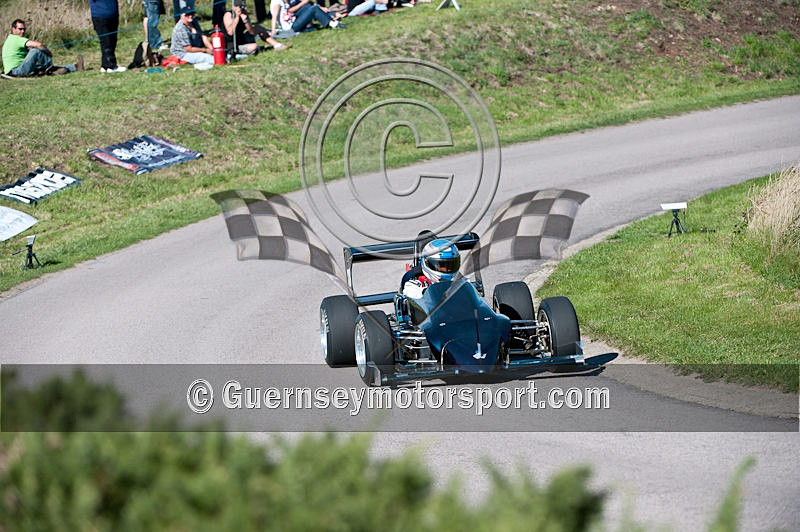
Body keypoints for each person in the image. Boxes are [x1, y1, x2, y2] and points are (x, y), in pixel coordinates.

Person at [2, 19, 83, 77]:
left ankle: (75, 67)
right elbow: (39, 45)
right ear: (13, 29)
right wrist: (49, 53)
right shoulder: (15, 39)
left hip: (19, 68)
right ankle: (50, 70)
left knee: (40, 66)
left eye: (24, 29)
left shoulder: (11, 39)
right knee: (35, 51)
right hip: (16, 71)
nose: (22, 31)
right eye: (20, 29)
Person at [224, 1, 289, 55]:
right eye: (238, 6)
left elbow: (251, 32)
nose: (240, 8)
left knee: (258, 27)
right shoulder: (228, 14)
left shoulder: (243, 15)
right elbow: (230, 32)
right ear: (233, 7)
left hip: (241, 39)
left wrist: (245, 20)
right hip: (231, 45)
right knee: (254, 46)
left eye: (242, 6)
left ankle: (277, 45)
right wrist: (237, 17)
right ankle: (250, 51)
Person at [270, 0, 345, 35]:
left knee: (308, 7)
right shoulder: (277, 2)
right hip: (290, 27)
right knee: (314, 9)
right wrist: (273, 31)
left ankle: (332, 18)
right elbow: (274, 16)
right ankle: (333, 24)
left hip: (293, 21)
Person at [90, 0, 126, 73]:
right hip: (100, 15)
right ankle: (110, 66)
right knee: (106, 42)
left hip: (113, 13)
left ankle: (105, 65)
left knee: (113, 41)